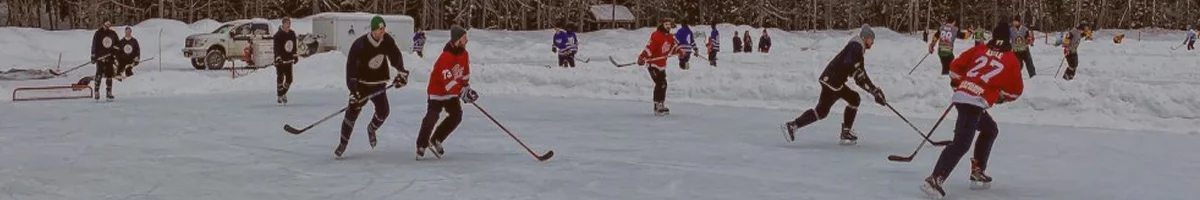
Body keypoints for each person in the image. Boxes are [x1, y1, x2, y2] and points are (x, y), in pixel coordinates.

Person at [921, 21, 1025, 199]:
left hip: (965, 98)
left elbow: (955, 67)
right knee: (962, 143)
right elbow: (1015, 91)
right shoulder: (1011, 59)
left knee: (990, 129)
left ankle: (977, 170)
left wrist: (959, 85)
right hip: (974, 102)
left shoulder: (980, 49)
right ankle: (935, 178)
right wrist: (1000, 97)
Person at [782, 25, 887, 145]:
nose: (872, 42)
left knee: (847, 101)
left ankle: (794, 125)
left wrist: (874, 91)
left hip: (834, 82)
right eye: (871, 39)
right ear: (865, 37)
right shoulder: (856, 46)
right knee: (834, 106)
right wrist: (867, 84)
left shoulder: (858, 49)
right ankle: (793, 125)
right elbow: (851, 65)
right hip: (833, 81)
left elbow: (860, 76)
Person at [337, 16, 410, 158]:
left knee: (384, 112)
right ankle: (343, 143)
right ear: (373, 30)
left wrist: (401, 72)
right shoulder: (360, 45)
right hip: (362, 85)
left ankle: (371, 128)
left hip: (379, 85)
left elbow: (395, 56)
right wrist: (353, 91)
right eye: (379, 29)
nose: (382, 32)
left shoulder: (387, 41)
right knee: (352, 113)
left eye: (383, 29)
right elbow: (351, 69)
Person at [416, 25, 473, 159]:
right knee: (432, 117)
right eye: (464, 38)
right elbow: (449, 83)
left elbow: (464, 74)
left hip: (452, 93)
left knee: (456, 116)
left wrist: (467, 89)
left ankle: (436, 138)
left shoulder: (465, 54)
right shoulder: (445, 57)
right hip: (437, 92)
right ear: (457, 40)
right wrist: (460, 91)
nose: (467, 41)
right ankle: (421, 144)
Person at [637, 18, 680, 116]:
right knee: (660, 83)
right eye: (666, 24)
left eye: (669, 24)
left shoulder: (670, 37)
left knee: (664, 84)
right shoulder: (656, 35)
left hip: (662, 65)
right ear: (662, 25)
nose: (668, 26)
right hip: (653, 65)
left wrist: (680, 51)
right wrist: (642, 57)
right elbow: (649, 48)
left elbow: (673, 48)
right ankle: (657, 106)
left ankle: (661, 103)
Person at [91, 20, 120, 101]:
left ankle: (109, 92)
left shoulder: (113, 33)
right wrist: (93, 56)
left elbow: (117, 44)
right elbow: (94, 45)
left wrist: (115, 51)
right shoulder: (98, 33)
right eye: (107, 22)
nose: (108, 24)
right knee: (99, 74)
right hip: (100, 57)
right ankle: (96, 91)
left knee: (109, 74)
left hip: (110, 57)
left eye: (109, 23)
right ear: (103, 23)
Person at [273, 17, 299, 105]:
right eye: (287, 24)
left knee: (289, 79)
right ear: (283, 24)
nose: (288, 25)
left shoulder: (292, 34)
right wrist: (278, 58)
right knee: (280, 78)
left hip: (288, 60)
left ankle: (282, 93)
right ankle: (280, 95)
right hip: (281, 60)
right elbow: (276, 48)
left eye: (289, 23)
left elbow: (294, 46)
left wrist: (295, 56)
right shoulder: (278, 35)